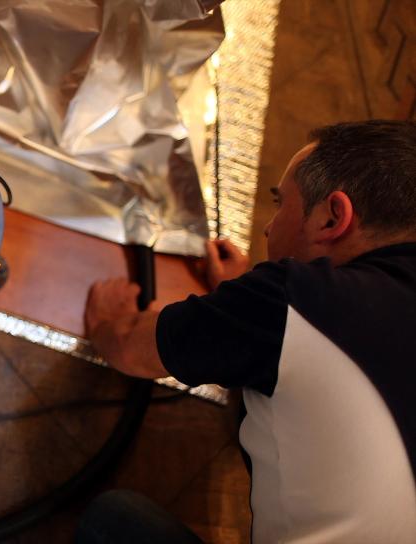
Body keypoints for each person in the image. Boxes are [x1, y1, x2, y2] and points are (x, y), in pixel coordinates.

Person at [78, 120, 416, 543]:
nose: (268, 228)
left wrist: (108, 322)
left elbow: (130, 350)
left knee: (113, 518)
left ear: (332, 218)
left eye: (280, 203)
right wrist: (240, 303)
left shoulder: (292, 301)